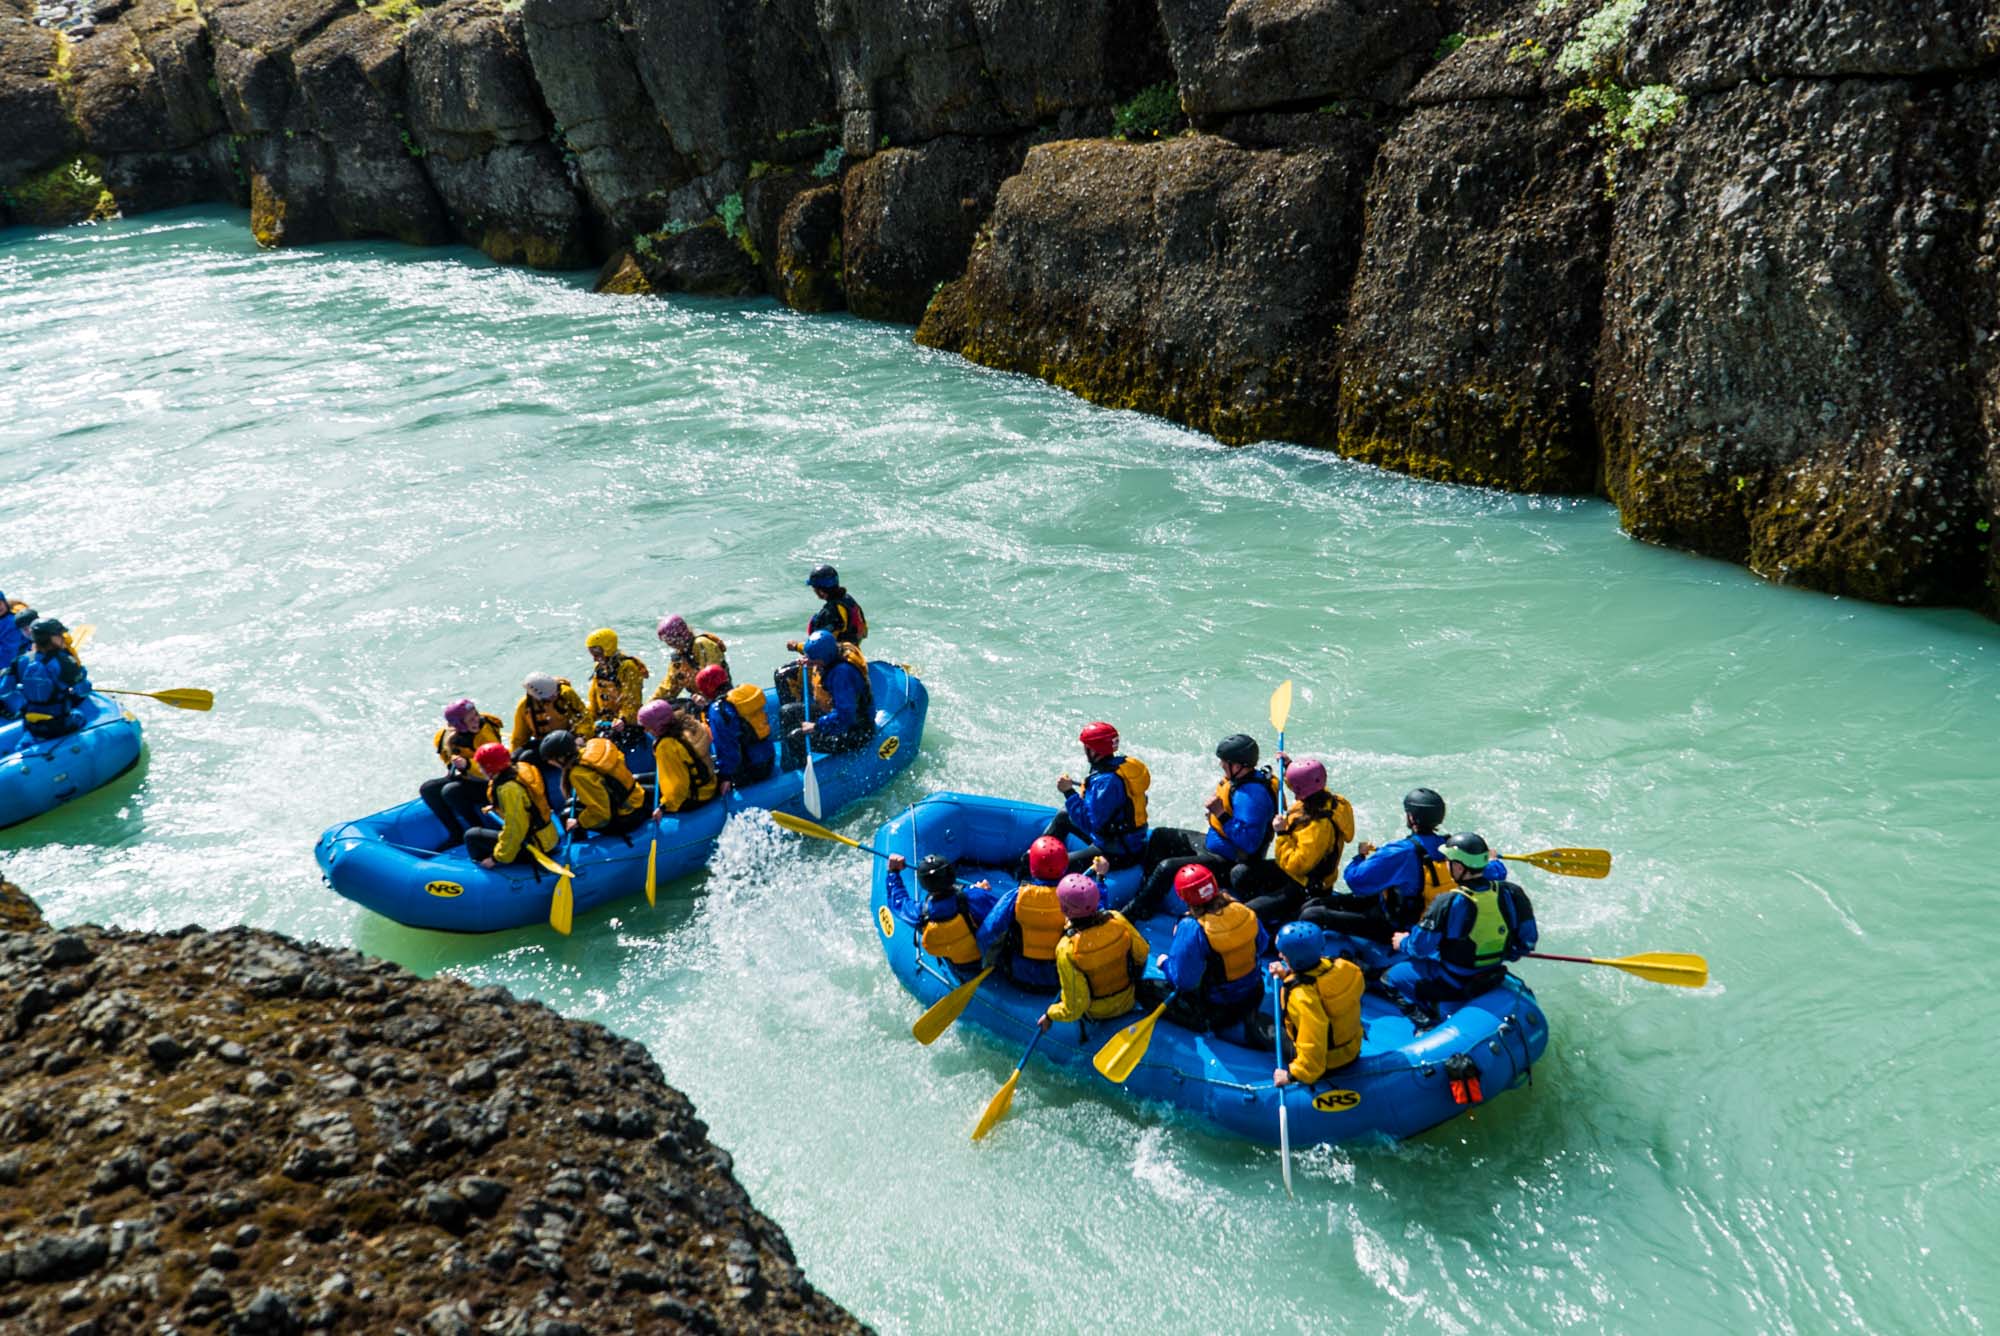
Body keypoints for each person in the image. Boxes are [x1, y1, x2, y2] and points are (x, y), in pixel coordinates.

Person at [1325, 787, 1507, 942]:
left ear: (1411, 818)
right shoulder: (1455, 851)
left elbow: (1357, 882)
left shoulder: (1400, 852)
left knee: (1314, 913)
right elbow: (1498, 872)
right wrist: (1491, 859)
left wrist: (1360, 856)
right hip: (1432, 921)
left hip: (1396, 927)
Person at [1382, 832, 1537, 1008]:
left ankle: (1425, 1021)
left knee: (1389, 979)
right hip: (1493, 973)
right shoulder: (1513, 892)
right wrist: (1502, 953)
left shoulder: (1446, 902)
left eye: (1449, 861)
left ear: (1459, 867)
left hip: (1453, 981)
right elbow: (1527, 943)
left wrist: (1402, 942)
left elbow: (1420, 948)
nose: (1446, 864)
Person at [1134, 734, 1278, 917]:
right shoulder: (1244, 780)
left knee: (1167, 867)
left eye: (1225, 762)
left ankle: (1138, 911)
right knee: (1161, 835)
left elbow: (1249, 844)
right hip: (1216, 846)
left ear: (1239, 765)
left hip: (1229, 861)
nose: (1221, 765)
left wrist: (1221, 814)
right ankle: (1148, 891)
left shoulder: (1251, 797)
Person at [1231, 756, 1355, 931]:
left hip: (1306, 886)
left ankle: (1278, 918)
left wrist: (1281, 833)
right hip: (1296, 874)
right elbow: (1308, 785)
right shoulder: (1336, 802)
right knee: (1240, 873)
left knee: (1250, 913)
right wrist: (1290, 767)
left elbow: (1295, 865)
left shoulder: (1316, 827)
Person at [1145, 864, 1268, 1037]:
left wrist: (1165, 963)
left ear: (1182, 896)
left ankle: (1208, 1024)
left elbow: (1183, 981)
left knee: (1144, 989)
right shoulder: (1241, 909)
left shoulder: (1193, 928)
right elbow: (1262, 945)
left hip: (1219, 1009)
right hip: (1255, 993)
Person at [1023, 722, 1150, 877]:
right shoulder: (1119, 767)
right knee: (1064, 816)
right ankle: (1036, 853)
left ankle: (1033, 871)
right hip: (1122, 840)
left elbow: (1091, 824)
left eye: (1086, 747)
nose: (1084, 750)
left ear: (1095, 750)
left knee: (1049, 865)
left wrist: (1068, 792)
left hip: (1116, 852)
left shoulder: (1106, 782)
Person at [1038, 871, 1150, 1032]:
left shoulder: (1067, 948)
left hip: (1098, 1013)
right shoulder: (1116, 919)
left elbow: (1076, 1008)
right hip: (1129, 1000)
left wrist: (1051, 1013)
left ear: (1063, 909)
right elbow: (1143, 953)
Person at [978, 837, 1091, 992]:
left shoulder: (1016, 897)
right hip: (1061, 978)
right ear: (1065, 867)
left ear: (1032, 868)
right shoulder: (1075, 899)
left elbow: (987, 934)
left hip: (1019, 975)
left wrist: (990, 963)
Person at [1259, 922, 1363, 1088]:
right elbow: (1318, 980)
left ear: (1294, 959)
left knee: (1259, 1021)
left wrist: (1292, 1075)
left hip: (1328, 1063)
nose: (1279, 955)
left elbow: (1313, 1043)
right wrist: (1288, 974)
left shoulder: (1302, 997)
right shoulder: (1347, 967)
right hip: (1352, 1049)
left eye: (1283, 953)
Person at [884, 852, 995, 982]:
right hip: (987, 956)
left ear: (924, 883)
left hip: (961, 965)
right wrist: (981, 891)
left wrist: (893, 872)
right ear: (951, 875)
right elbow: (1001, 913)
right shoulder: (975, 897)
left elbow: (898, 902)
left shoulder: (921, 914)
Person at [779, 630, 873, 770]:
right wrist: (809, 659)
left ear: (824, 658)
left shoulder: (842, 675)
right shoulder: (838, 650)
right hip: (835, 714)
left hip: (855, 731)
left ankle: (797, 775)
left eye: (813, 659)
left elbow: (845, 716)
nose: (809, 660)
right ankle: (789, 763)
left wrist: (816, 726)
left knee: (796, 738)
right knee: (786, 712)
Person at [421, 697, 505, 845]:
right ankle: (456, 833)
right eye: (470, 719)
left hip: (492, 782)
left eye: (476, 715)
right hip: (469, 778)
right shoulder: (444, 737)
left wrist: (467, 765)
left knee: (451, 791)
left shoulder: (485, 734)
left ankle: (478, 832)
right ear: (459, 724)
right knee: (428, 789)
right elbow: (448, 761)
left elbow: (496, 768)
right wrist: (458, 766)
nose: (476, 720)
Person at [777, 566, 867, 704]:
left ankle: (796, 713)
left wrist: (796, 646)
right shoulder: (848, 600)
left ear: (821, 591)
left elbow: (821, 647)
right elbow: (863, 631)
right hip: (852, 653)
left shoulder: (830, 613)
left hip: (832, 659)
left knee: (783, 674)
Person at [464, 742, 559, 869]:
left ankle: (485, 872)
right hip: (548, 837)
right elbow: (527, 803)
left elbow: (515, 829)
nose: (480, 770)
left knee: (472, 836)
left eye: (482, 767)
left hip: (535, 845)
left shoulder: (509, 790)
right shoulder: (520, 768)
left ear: (491, 768)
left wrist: (496, 857)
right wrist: (497, 807)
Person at [541, 729, 650, 839]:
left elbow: (602, 814)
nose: (550, 763)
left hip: (628, 816)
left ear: (561, 757)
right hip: (637, 798)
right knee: (571, 804)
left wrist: (579, 822)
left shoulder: (578, 774)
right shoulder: (593, 747)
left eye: (551, 760)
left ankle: (580, 849)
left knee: (567, 815)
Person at [3, 619, 91, 738]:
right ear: (51, 638)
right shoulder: (64, 662)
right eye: (59, 635)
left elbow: (4, 691)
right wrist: (81, 675)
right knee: (80, 715)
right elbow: (83, 691)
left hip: (31, 724)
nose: (63, 637)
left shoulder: (19, 661)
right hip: (60, 723)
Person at [637, 699, 719, 816]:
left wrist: (663, 806)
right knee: (636, 782)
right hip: (708, 784)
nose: (646, 731)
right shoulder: (689, 723)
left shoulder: (666, 746)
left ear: (657, 726)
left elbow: (678, 787)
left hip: (696, 796)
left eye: (647, 727)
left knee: (639, 796)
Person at [707, 669, 776, 789]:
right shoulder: (745, 693)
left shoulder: (718, 709)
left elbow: (726, 746)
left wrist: (726, 776)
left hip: (751, 768)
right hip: (769, 757)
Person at [585, 628, 649, 740]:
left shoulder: (627, 667)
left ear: (607, 649)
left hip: (626, 724)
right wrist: (587, 720)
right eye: (592, 655)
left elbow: (632, 700)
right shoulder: (600, 669)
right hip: (607, 722)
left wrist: (623, 719)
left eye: (597, 654)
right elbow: (594, 699)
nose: (594, 659)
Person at [653, 615, 731, 704]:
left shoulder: (702, 644)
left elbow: (712, 676)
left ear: (681, 634)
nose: (669, 643)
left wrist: (704, 698)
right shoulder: (678, 660)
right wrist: (651, 705)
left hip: (721, 698)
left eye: (670, 639)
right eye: (666, 640)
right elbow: (668, 689)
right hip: (698, 700)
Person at [509, 671, 587, 757]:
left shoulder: (566, 693)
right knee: (521, 756)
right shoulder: (524, 707)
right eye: (550, 697)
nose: (554, 697)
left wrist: (582, 736)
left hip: (567, 738)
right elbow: (519, 738)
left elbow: (584, 718)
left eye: (555, 693)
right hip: (545, 744)